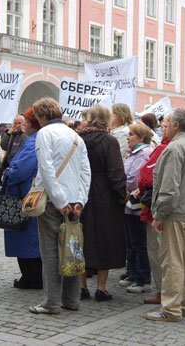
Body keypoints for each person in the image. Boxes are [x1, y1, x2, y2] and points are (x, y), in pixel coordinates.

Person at [28, 98, 91, 315]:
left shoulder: (45, 134)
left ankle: (51, 302)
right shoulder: (76, 136)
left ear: (41, 116)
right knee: (72, 249)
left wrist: (59, 200)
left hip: (53, 201)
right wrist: (80, 200)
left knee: (50, 252)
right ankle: (71, 299)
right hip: (74, 200)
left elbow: (46, 169)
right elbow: (85, 171)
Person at [144, 109, 185, 322]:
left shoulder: (174, 148)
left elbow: (169, 187)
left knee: (172, 261)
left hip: (175, 212)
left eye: (168, 122)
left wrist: (160, 214)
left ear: (176, 125)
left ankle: (171, 309)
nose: (164, 126)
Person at [79, 106, 127, 302]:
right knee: (105, 238)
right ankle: (101, 287)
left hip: (82, 191)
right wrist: (122, 193)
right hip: (104, 194)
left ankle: (81, 286)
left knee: (82, 237)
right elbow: (116, 171)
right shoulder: (109, 141)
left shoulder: (78, 139)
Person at [3, 108, 43, 290]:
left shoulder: (33, 142)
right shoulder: (36, 140)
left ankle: (31, 278)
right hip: (29, 193)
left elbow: (20, 170)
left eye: (26, 123)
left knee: (26, 238)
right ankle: (31, 276)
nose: (24, 126)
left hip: (24, 195)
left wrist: (8, 173)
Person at [137, 115, 171, 305]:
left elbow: (146, 176)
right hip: (181, 207)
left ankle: (162, 291)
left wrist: (140, 189)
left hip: (160, 206)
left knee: (157, 251)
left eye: (166, 126)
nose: (163, 129)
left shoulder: (164, 148)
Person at [122, 122, 154, 294]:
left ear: (141, 138)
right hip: (129, 202)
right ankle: (133, 273)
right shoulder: (133, 153)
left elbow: (135, 177)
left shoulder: (144, 153)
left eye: (131, 135)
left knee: (139, 241)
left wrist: (124, 188)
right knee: (131, 240)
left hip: (137, 200)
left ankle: (143, 278)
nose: (128, 138)